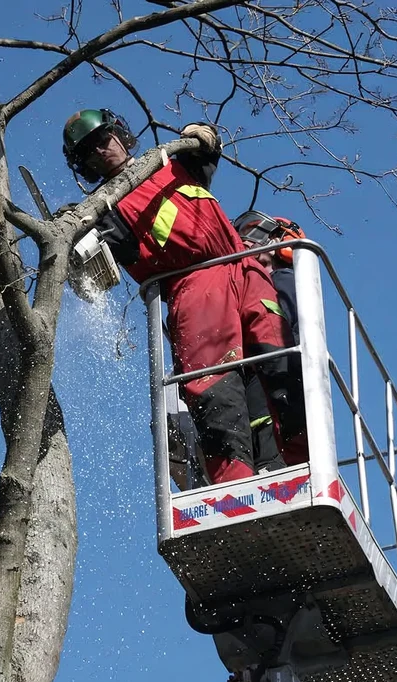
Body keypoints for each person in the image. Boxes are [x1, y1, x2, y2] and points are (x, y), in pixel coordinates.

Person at [61, 108, 307, 484]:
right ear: (84, 164)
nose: (100, 150)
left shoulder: (170, 164)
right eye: (88, 150)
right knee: (215, 391)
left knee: (284, 367)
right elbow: (90, 273)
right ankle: (234, 488)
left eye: (102, 139)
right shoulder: (102, 211)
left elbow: (207, 146)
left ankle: (305, 467)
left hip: (244, 270)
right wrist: (71, 233)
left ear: (118, 133)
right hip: (193, 289)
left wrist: (200, 132)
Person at [232, 210, 308, 473]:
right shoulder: (266, 283)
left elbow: (277, 328)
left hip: (279, 378)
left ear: (277, 242)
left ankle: (269, 465)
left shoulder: (283, 280)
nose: (247, 242)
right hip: (271, 380)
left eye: (253, 233)